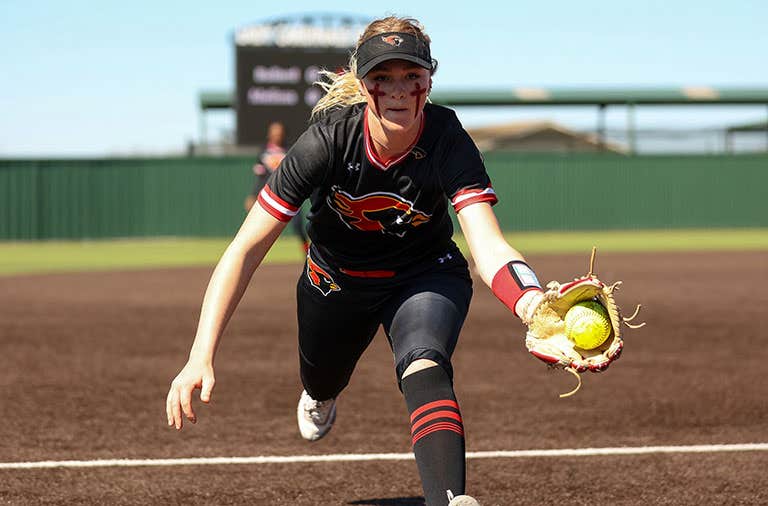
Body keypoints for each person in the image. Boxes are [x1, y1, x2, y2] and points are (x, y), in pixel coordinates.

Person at [166, 16, 547, 506]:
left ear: (429, 79)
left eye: (411, 75)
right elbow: (244, 249)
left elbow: (488, 244)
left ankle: (450, 500)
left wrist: (533, 304)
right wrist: (201, 354)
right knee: (322, 378)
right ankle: (321, 395)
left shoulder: (448, 137)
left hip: (424, 272)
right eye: (383, 77)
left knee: (425, 361)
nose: (398, 89)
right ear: (363, 83)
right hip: (336, 279)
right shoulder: (327, 141)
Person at [244, 121, 309, 253]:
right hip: (270, 196)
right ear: (269, 134)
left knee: (298, 226)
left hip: (291, 194)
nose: (277, 135)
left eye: (279, 132)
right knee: (261, 229)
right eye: (274, 132)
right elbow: (260, 177)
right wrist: (253, 195)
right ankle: (254, 254)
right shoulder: (263, 152)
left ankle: (307, 253)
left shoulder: (291, 149)